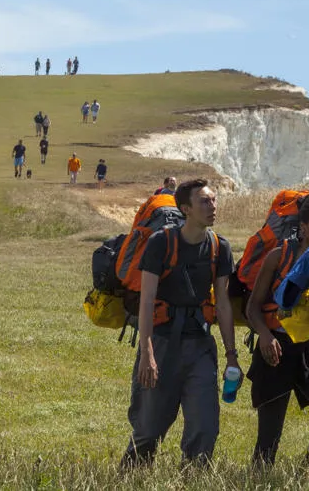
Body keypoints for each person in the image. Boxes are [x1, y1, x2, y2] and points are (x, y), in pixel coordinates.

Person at [120, 179, 240, 469]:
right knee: (149, 429)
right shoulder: (160, 243)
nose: (213, 206)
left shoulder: (219, 247)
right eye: (204, 201)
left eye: (214, 200)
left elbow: (223, 304)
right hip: (161, 343)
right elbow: (147, 300)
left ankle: (192, 479)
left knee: (205, 427)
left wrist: (231, 356)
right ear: (186, 209)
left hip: (200, 345)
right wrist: (147, 353)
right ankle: (130, 477)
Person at [246, 197, 309, 466]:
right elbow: (252, 308)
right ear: (303, 227)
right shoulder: (278, 257)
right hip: (275, 348)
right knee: (268, 439)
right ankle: (260, 478)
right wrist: (265, 336)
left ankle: (305, 473)